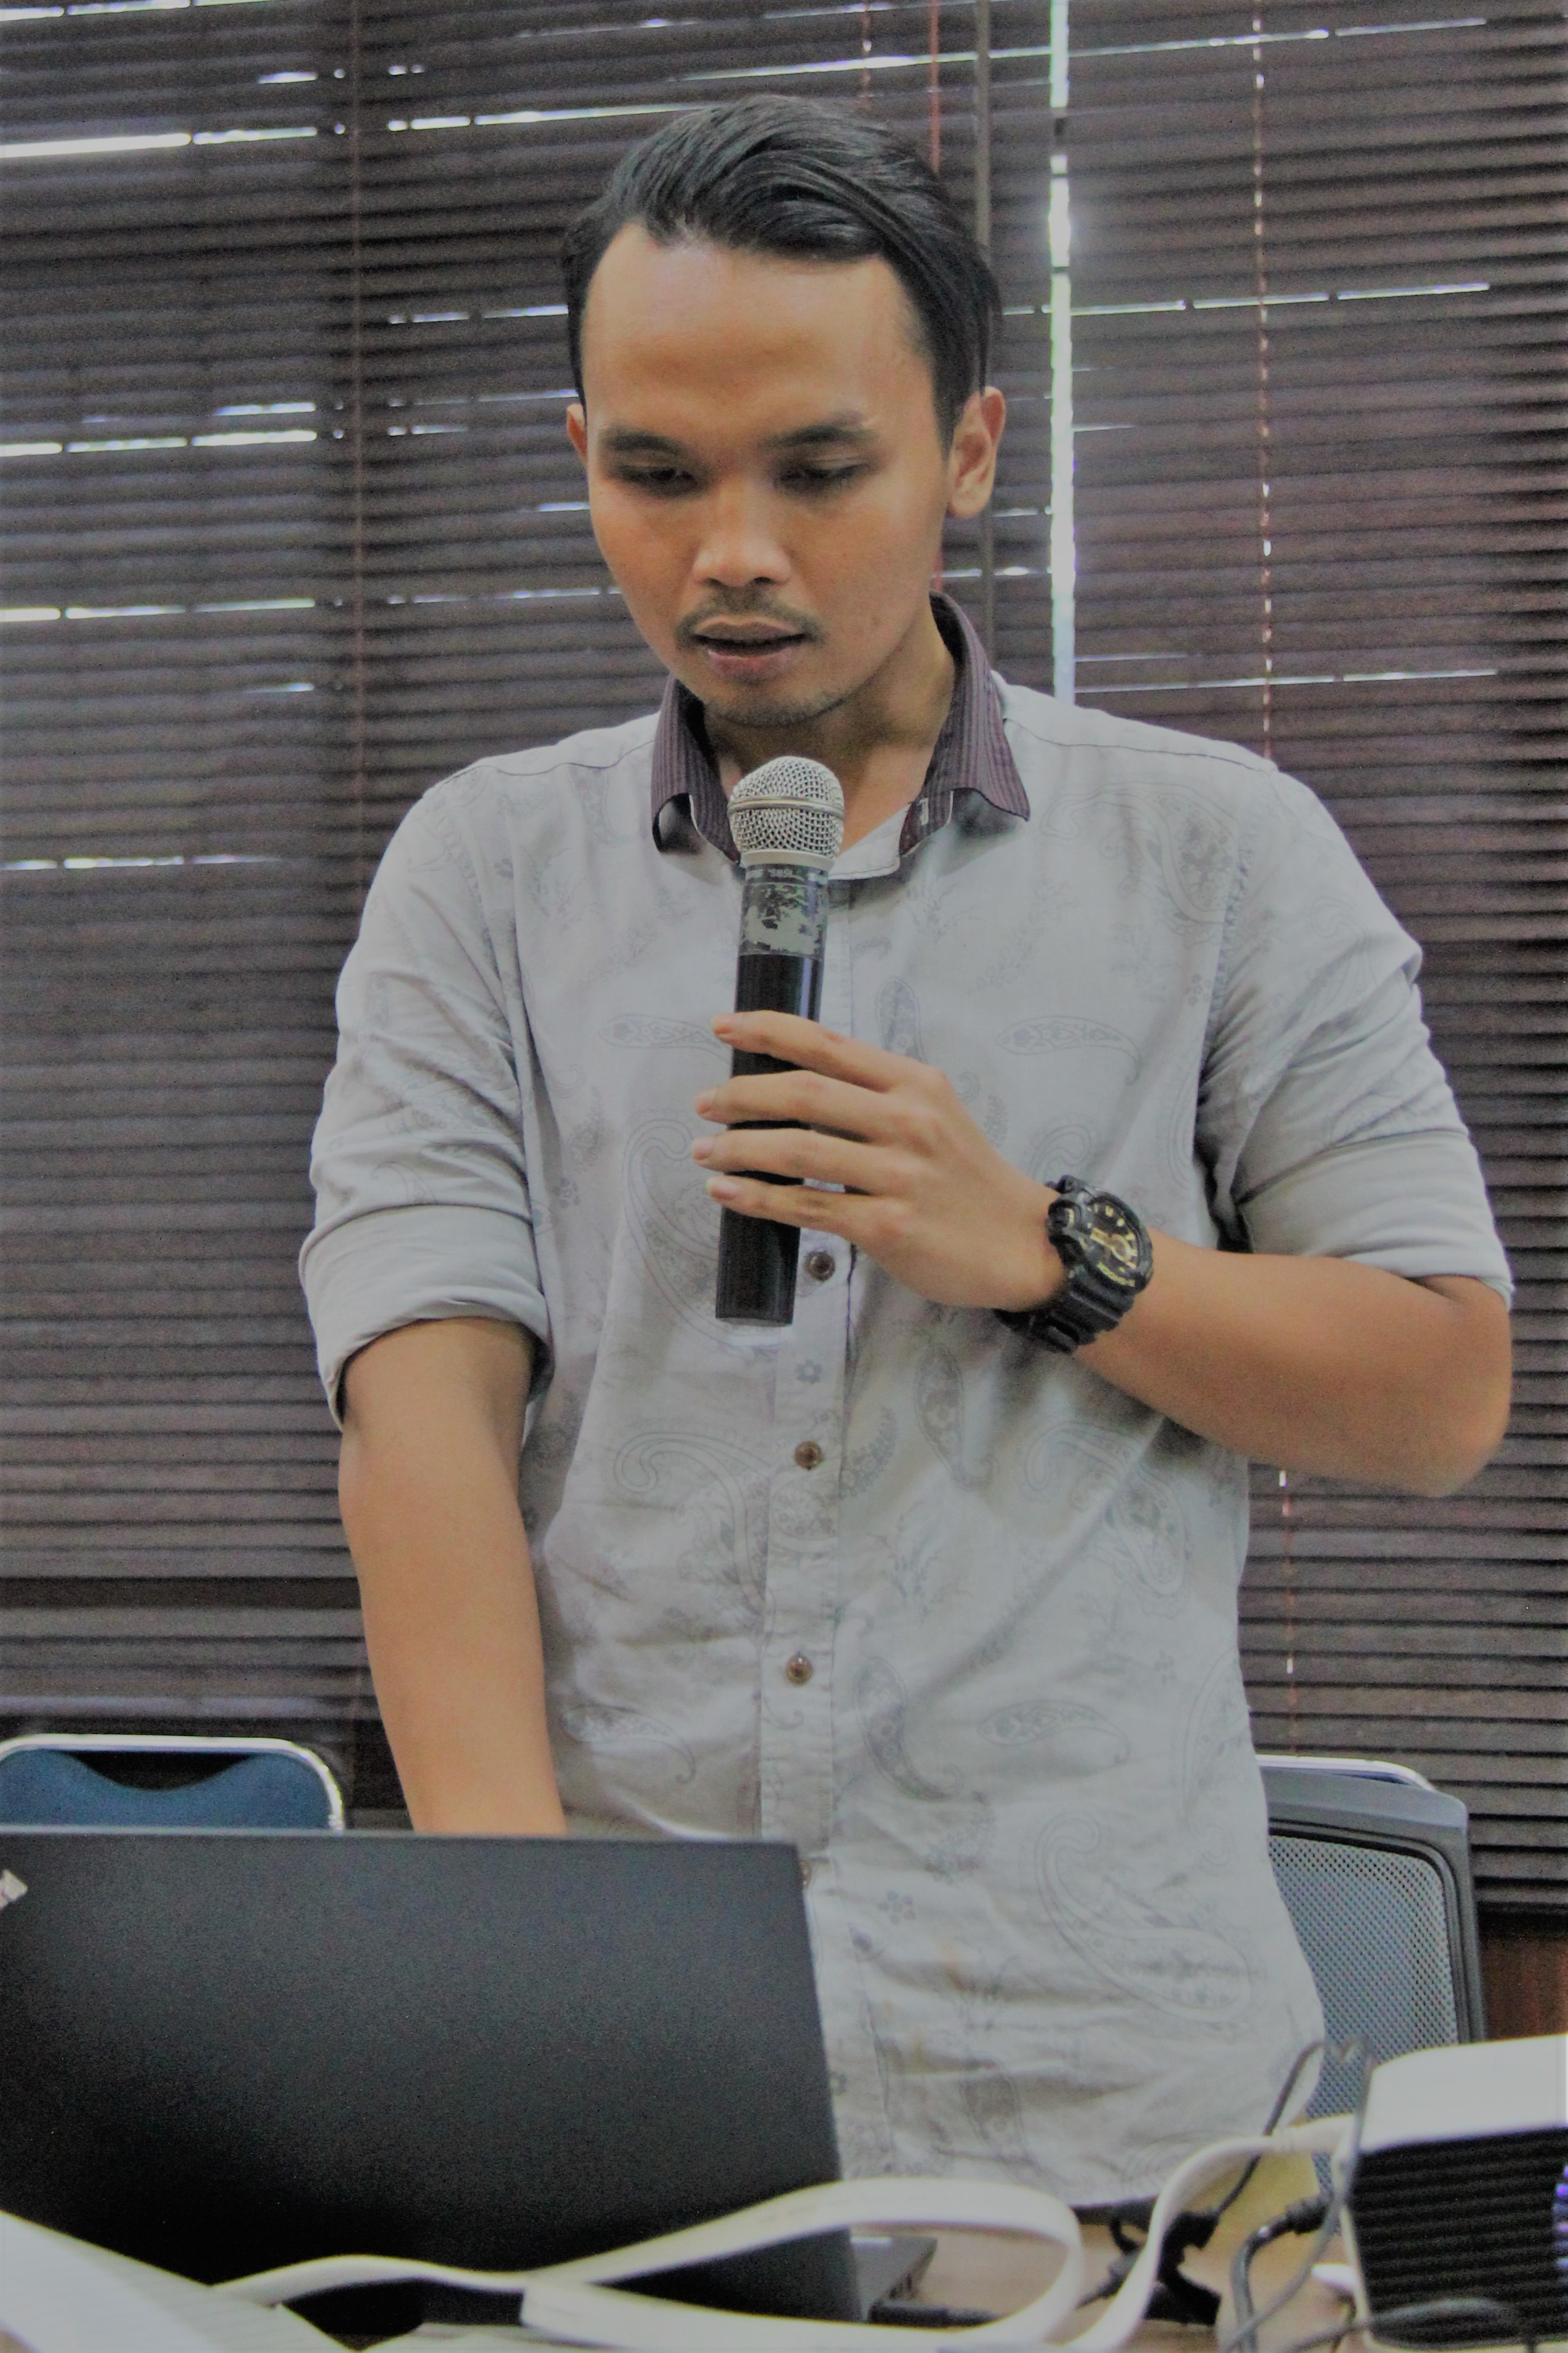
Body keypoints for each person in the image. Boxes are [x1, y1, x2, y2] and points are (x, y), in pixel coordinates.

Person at [300, 96, 1512, 2202]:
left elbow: (1436, 1388)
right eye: (654, 474)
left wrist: (1044, 1247)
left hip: (1109, 2084)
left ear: (966, 451)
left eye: (816, 469)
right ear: (579, 450)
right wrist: (520, 1977)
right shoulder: (481, 873)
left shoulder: (1218, 852)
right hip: (641, 2066)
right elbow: (424, 1426)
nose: (731, 552)